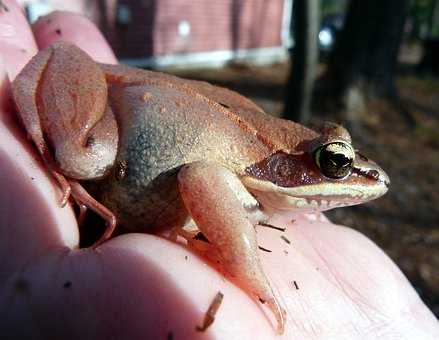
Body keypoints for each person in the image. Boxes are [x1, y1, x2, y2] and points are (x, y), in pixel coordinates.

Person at [0, 2, 438, 339]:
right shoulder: (244, 181)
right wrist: (241, 257)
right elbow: (202, 177)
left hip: (153, 99)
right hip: (117, 104)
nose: (368, 179)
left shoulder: (260, 179)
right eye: (337, 163)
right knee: (84, 156)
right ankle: (50, 135)